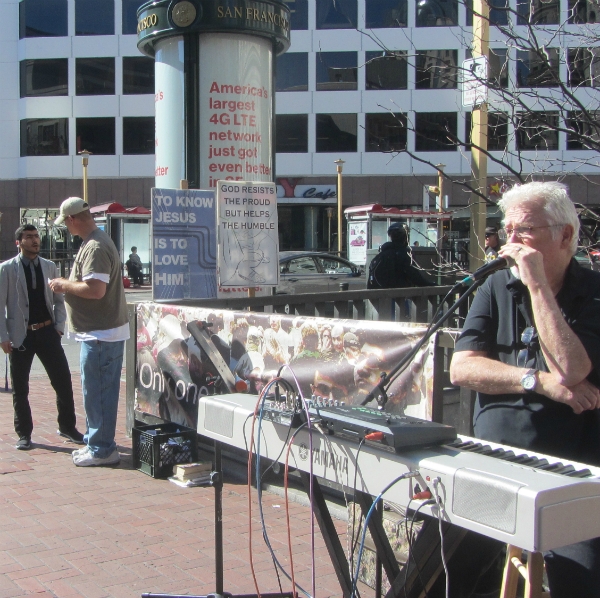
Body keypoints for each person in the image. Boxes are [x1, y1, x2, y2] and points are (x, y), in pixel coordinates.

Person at [449, 181, 600, 598]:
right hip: (495, 463)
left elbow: (571, 368)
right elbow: (461, 367)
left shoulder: (592, 292)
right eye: (507, 230)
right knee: (445, 566)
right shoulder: (495, 286)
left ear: (565, 235)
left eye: (525, 231)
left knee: (580, 580)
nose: (510, 242)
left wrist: (536, 286)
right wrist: (537, 382)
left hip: (570, 475)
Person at [49, 198, 129, 467]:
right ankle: (98, 443)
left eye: (66, 223)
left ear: (72, 219)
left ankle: (102, 448)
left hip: (101, 333)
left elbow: (95, 290)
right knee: (95, 392)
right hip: (100, 332)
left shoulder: (94, 245)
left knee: (98, 393)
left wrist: (63, 284)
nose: (67, 228)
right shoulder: (95, 241)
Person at [0, 224, 84, 450]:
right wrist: (3, 336)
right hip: (21, 336)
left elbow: (59, 301)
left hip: (47, 332)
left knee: (63, 381)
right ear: (19, 242)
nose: (35, 240)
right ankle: (24, 433)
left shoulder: (49, 267)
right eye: (29, 237)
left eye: (36, 236)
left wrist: (58, 327)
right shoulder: (6, 269)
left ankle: (67, 426)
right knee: (20, 388)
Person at [367, 223, 435, 289]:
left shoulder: (382, 254)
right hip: (399, 296)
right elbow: (415, 277)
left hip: (380, 296)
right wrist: (432, 284)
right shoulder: (403, 254)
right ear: (405, 237)